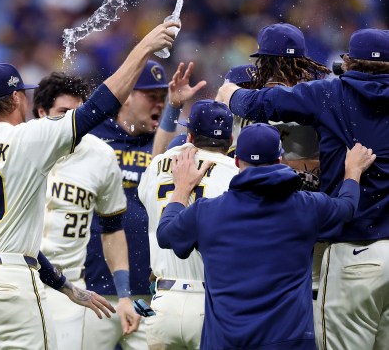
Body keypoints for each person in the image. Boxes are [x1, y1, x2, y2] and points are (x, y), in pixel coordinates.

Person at [0, 21, 179, 349]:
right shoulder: (27, 138)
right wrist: (143, 48)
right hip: (10, 283)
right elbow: (99, 107)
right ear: (17, 98)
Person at [218, 28, 389, 350]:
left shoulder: (329, 94)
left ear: (349, 62)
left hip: (351, 248)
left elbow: (254, 105)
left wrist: (228, 93)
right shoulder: (324, 91)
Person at [157, 123, 376, 350]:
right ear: (279, 160)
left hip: (226, 342)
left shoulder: (205, 212)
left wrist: (182, 187)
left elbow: (166, 235)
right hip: (288, 343)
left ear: (237, 161)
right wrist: (353, 171)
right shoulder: (307, 207)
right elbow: (347, 208)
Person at [84, 60, 205, 350]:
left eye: (161, 98)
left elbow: (156, 155)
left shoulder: (165, 145)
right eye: (151, 96)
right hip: (91, 287)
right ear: (126, 95)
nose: (158, 104)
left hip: (146, 295)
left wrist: (173, 107)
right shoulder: (92, 135)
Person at [33, 72, 134, 348]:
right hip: (18, 278)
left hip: (68, 286)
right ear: (41, 112)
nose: (73, 121)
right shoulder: (21, 146)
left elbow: (112, 229)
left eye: (79, 113)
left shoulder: (100, 155)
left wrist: (124, 293)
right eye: (64, 112)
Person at [138, 100, 239, 350]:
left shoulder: (157, 166)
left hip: (164, 302)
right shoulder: (236, 174)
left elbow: (146, 193)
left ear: (190, 135)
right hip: (212, 303)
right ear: (230, 141)